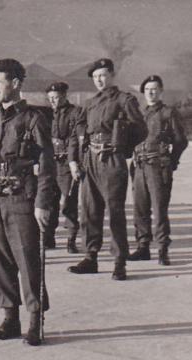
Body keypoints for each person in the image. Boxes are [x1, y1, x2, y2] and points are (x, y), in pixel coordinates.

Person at [0, 59, 55, 345]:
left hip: (21, 197)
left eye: (0, 82)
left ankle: (35, 320)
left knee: (27, 260)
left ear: (16, 84)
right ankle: (9, 317)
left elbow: (47, 162)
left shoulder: (32, 119)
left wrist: (42, 202)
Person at [67, 58, 147, 280]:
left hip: (111, 160)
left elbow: (141, 129)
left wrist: (123, 147)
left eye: (102, 75)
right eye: (95, 77)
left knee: (115, 213)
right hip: (91, 159)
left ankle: (119, 262)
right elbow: (79, 130)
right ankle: (90, 257)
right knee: (90, 212)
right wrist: (77, 158)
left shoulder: (124, 100)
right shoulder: (90, 102)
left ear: (112, 75)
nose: (99, 80)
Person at [129, 75, 188, 265]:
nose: (151, 93)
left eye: (154, 89)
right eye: (147, 90)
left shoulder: (168, 113)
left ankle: (162, 249)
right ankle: (143, 246)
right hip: (139, 167)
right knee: (140, 209)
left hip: (158, 166)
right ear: (143, 93)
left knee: (159, 209)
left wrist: (172, 161)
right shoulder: (139, 114)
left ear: (161, 91)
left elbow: (180, 140)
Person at [43, 81, 81, 253]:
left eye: (56, 98)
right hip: (51, 163)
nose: (53, 102)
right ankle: (49, 237)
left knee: (69, 201)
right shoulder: (46, 114)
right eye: (50, 98)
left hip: (67, 162)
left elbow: (76, 138)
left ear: (65, 96)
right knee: (50, 201)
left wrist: (73, 161)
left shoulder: (75, 113)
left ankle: (71, 239)